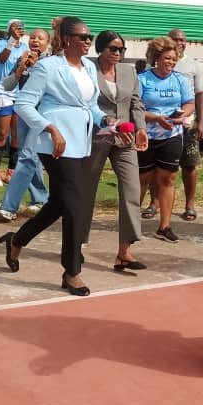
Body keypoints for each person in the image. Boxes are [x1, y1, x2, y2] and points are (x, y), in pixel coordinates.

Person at [1, 17, 112, 296]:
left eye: (90, 36)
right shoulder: (48, 67)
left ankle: (17, 239)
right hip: (54, 145)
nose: (88, 41)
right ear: (67, 38)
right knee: (76, 203)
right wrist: (49, 128)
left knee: (60, 203)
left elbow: (91, 106)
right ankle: (72, 271)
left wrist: (110, 121)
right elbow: (24, 103)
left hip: (81, 143)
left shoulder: (88, 67)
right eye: (83, 36)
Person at [87, 30, 150, 270]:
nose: (117, 53)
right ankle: (76, 245)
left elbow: (135, 102)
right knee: (86, 191)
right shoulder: (87, 69)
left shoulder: (128, 70)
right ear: (100, 50)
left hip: (125, 138)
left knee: (132, 190)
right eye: (112, 49)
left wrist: (141, 128)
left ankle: (125, 251)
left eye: (121, 49)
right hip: (98, 136)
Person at [137, 36, 195, 242]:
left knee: (167, 179)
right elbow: (135, 109)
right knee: (142, 180)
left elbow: (190, 102)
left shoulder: (180, 79)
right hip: (147, 135)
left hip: (172, 135)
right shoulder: (143, 78)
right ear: (156, 58)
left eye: (173, 59)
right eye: (167, 58)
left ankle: (165, 226)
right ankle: (132, 225)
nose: (170, 62)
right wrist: (155, 118)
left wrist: (182, 114)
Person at [0, 29, 50, 221]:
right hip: (24, 112)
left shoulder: (51, 62)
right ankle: (40, 199)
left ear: (47, 43)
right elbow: (6, 85)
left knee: (27, 156)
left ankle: (9, 206)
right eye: (32, 37)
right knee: (32, 156)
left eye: (40, 38)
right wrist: (19, 70)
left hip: (42, 113)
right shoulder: (22, 58)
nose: (35, 41)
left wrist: (37, 65)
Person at [169, 29, 203, 222]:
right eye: (175, 39)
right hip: (164, 126)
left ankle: (190, 205)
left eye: (183, 40)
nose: (180, 42)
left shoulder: (193, 65)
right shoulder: (160, 61)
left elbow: (200, 94)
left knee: (189, 165)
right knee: (162, 167)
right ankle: (155, 203)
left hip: (187, 125)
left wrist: (201, 122)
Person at [0, 19, 28, 187]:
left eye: (20, 27)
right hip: (3, 92)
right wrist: (12, 41)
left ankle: (11, 171)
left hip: (19, 93)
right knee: (2, 134)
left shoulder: (25, 47)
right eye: (15, 26)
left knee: (17, 136)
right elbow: (2, 59)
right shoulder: (2, 43)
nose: (18, 29)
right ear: (9, 30)